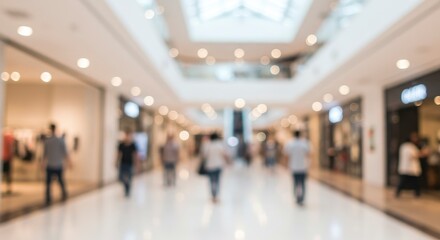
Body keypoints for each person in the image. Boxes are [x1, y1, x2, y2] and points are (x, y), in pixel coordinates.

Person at [42, 124, 71, 205]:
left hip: (51, 164)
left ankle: (48, 197)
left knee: (49, 183)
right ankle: (64, 193)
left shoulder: (47, 141)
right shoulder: (60, 140)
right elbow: (65, 153)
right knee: (60, 180)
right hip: (58, 164)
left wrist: (43, 164)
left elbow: (44, 154)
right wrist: (69, 162)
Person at [396, 132, 428, 198]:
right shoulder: (409, 147)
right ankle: (398, 192)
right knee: (404, 182)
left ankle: (417, 193)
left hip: (408, 168)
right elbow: (414, 155)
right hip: (409, 168)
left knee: (415, 182)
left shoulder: (405, 146)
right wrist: (423, 153)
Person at [284, 130, 311, 205]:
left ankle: (296, 197)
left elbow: (286, 155)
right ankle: (302, 198)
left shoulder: (290, 143)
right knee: (302, 183)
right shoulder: (304, 143)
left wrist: (286, 165)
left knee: (295, 183)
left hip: (294, 167)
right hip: (303, 167)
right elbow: (308, 154)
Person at [203, 133, 230, 203]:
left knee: (211, 181)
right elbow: (224, 154)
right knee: (217, 181)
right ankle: (216, 195)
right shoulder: (219, 145)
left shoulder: (208, 145)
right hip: (218, 165)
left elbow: (204, 156)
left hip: (210, 166)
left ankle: (213, 195)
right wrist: (228, 162)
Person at [116, 129, 139, 197]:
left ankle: (127, 189)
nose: (127, 136)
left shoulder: (133, 145)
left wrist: (137, 164)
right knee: (121, 177)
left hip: (130, 164)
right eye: (126, 135)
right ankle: (126, 185)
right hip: (123, 163)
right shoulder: (121, 144)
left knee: (129, 177)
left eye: (129, 135)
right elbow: (118, 154)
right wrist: (116, 161)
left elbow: (135, 155)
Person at [2, 129, 15, 194]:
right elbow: (11, 147)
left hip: (3, 158)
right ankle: (8, 188)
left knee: (4, 174)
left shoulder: (3, 138)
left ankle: (8, 188)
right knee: (8, 174)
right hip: (7, 158)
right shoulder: (9, 138)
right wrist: (11, 155)